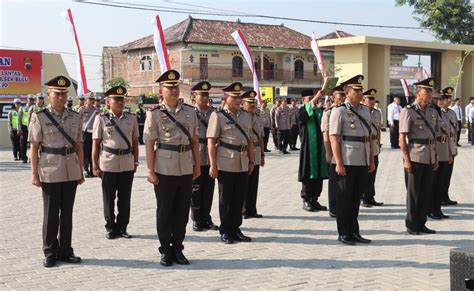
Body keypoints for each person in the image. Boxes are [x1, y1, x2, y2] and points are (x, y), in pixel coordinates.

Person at [144, 69, 200, 266]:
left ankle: (178, 248)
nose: (174, 90)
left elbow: (194, 140)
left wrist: (197, 165)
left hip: (185, 167)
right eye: (170, 87)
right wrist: (150, 170)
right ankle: (165, 250)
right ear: (162, 90)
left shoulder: (190, 112)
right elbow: (150, 145)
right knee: (165, 210)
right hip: (164, 169)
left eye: (176, 86)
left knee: (182, 210)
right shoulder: (155, 114)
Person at [28, 75, 84, 268]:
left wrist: (81, 171)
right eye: (57, 93)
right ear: (49, 94)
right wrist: (34, 174)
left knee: (67, 213)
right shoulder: (40, 116)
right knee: (51, 213)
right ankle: (50, 251)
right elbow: (34, 147)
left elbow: (79, 145)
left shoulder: (75, 116)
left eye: (64, 93)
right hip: (50, 169)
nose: (61, 97)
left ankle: (66, 250)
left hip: (71, 169)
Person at [329, 75, 375, 245]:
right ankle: (343, 232)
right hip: (346, 160)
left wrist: (371, 159)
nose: (361, 93)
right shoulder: (339, 111)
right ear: (347, 93)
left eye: (361, 90)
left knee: (356, 198)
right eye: (357, 90)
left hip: (361, 159)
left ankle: (354, 231)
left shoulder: (364, 110)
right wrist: (338, 162)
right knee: (343, 198)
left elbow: (369, 137)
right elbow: (334, 137)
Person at [207, 82, 254, 245]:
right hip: (225, 161)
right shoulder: (218, 116)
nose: (238, 100)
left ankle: (236, 228)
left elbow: (249, 141)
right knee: (225, 198)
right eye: (234, 97)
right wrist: (213, 164)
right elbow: (211, 142)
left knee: (239, 197)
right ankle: (226, 230)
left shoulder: (245, 116)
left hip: (242, 161)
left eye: (239, 97)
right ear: (226, 98)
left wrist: (251, 160)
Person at [92, 86, 139, 240]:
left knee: (125, 198)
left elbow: (135, 142)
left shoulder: (131, 118)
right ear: (108, 101)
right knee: (108, 197)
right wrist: (94, 164)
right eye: (116, 99)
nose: (119, 102)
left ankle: (123, 227)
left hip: (126, 162)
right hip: (108, 163)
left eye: (121, 99)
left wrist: (136, 161)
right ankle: (110, 227)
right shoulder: (101, 118)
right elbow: (96, 143)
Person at [399, 77, 439, 235]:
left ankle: (422, 223)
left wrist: (435, 157)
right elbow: (402, 138)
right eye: (426, 91)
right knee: (414, 193)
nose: (430, 94)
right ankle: (411, 224)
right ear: (418, 93)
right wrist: (406, 159)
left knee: (426, 192)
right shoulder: (408, 111)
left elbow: (434, 136)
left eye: (431, 91)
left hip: (429, 156)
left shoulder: (432, 111)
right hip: (415, 156)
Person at [190, 81, 219, 232]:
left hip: (210, 154)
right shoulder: (189, 113)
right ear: (194, 96)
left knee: (208, 189)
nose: (205, 97)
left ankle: (206, 218)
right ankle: (196, 219)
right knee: (195, 189)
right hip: (195, 154)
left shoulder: (214, 113)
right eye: (202, 95)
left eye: (207, 95)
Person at [298, 89, 329, 212]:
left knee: (319, 174)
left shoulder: (318, 111)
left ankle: (314, 199)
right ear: (303, 100)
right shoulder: (301, 110)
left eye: (313, 98)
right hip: (309, 150)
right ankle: (306, 200)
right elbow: (304, 117)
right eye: (309, 98)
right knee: (308, 174)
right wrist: (316, 97)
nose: (312, 100)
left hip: (320, 148)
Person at [321, 84, 345, 217]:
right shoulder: (329, 112)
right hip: (334, 149)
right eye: (339, 95)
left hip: (347, 150)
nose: (342, 97)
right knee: (335, 181)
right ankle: (334, 207)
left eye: (343, 94)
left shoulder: (347, 110)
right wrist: (329, 153)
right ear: (333, 97)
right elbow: (326, 134)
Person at [242, 90, 265, 219]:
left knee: (254, 183)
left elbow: (261, 136)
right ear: (243, 103)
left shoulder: (258, 116)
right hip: (244, 153)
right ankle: (243, 209)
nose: (252, 104)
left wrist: (262, 154)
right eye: (249, 102)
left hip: (256, 152)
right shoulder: (241, 116)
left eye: (253, 102)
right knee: (244, 182)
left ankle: (252, 209)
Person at [361, 89, 384, 207]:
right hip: (364, 145)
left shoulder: (377, 112)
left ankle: (370, 196)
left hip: (374, 144)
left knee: (373, 172)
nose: (372, 101)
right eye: (370, 99)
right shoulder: (360, 112)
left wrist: (379, 144)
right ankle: (363, 197)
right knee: (365, 173)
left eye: (373, 99)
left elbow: (378, 129)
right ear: (363, 100)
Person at [442, 89, 459, 206]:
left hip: (451, 148)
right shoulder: (437, 113)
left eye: (450, 98)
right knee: (441, 175)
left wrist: (455, 147)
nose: (448, 100)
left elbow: (455, 131)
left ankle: (445, 195)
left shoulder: (452, 113)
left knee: (448, 174)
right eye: (446, 98)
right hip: (443, 149)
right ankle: (439, 197)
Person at [78, 92, 99, 178]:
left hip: (94, 133)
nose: (92, 101)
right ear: (86, 100)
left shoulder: (97, 110)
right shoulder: (81, 110)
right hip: (85, 133)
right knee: (85, 152)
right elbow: (78, 122)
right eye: (90, 99)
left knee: (93, 151)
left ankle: (92, 170)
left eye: (93, 99)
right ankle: (85, 169)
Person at [18, 94, 35, 163]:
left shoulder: (35, 107)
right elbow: (19, 118)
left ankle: (32, 158)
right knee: (23, 143)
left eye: (32, 99)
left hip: (33, 126)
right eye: (30, 99)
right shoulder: (22, 108)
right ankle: (24, 157)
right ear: (27, 99)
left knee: (33, 143)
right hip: (24, 127)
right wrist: (19, 128)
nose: (31, 101)